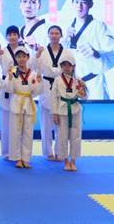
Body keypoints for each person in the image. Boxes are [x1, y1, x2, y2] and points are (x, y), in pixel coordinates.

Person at [66, 0, 114, 99]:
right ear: (72, 4)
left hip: (94, 84)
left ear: (90, 5)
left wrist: (96, 54)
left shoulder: (98, 26)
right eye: (76, 2)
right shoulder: (69, 29)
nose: (79, 6)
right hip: (74, 86)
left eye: (83, 3)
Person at [5, 46, 42, 169]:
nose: (21, 59)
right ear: (15, 58)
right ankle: (17, 158)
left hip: (29, 103)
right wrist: (10, 79)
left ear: (28, 57)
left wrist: (39, 82)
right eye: (19, 57)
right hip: (16, 102)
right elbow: (8, 89)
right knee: (15, 132)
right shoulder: (12, 71)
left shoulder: (33, 73)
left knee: (28, 132)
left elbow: (37, 92)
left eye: (24, 56)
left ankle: (26, 158)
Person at [51, 49, 88, 171]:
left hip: (75, 110)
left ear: (73, 66)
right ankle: (65, 160)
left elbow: (85, 97)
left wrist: (83, 91)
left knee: (75, 136)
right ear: (61, 66)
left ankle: (73, 160)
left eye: (69, 65)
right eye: (64, 65)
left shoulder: (78, 80)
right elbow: (54, 98)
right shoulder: (57, 80)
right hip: (62, 110)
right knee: (62, 136)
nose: (67, 68)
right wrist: (54, 113)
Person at [0, 26, 23, 159]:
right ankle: (6, 152)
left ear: (19, 36)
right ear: (6, 37)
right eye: (10, 34)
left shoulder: (24, 51)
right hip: (6, 84)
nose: (12, 37)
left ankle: (18, 151)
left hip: (20, 83)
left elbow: (30, 66)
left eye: (15, 34)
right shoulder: (2, 51)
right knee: (5, 120)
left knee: (19, 120)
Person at [34, 25, 65, 160]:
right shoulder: (43, 51)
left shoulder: (67, 53)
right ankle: (48, 152)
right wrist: (37, 55)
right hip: (46, 86)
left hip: (62, 86)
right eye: (51, 33)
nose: (54, 35)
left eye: (57, 33)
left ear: (61, 35)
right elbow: (34, 67)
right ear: (48, 35)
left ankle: (60, 151)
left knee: (61, 124)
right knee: (46, 124)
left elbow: (71, 69)